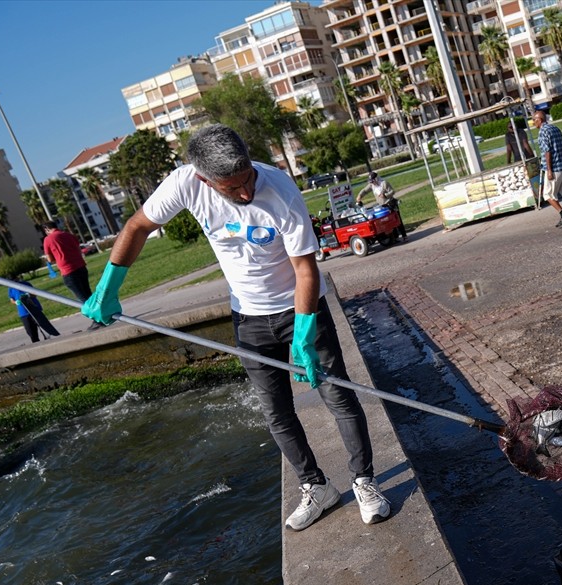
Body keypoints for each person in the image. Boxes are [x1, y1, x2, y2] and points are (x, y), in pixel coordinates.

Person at [82, 123, 392, 532]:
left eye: (247, 181)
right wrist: (109, 285)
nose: (245, 194)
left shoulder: (280, 189)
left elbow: (305, 270)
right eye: (232, 188)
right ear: (202, 178)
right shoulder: (183, 184)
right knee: (276, 413)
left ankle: (365, 482)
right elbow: (137, 226)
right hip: (247, 318)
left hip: (299, 309)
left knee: (338, 395)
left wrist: (303, 335)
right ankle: (316, 487)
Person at [43, 220, 101, 330]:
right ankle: (102, 314)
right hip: (81, 267)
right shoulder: (69, 235)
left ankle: (97, 319)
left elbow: (50, 259)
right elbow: (78, 249)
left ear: (46, 229)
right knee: (88, 294)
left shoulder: (48, 239)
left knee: (83, 298)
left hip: (68, 271)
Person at [532, 109, 562, 228]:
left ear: (540, 120)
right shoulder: (555, 128)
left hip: (554, 169)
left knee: (547, 195)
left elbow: (547, 151)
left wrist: (549, 170)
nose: (533, 123)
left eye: (534, 120)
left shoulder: (543, 132)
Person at [365, 171, 407, 241]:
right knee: (389, 222)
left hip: (390, 204)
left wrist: (385, 195)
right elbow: (365, 190)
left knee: (397, 220)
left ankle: (404, 236)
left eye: (372, 181)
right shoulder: (372, 185)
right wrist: (359, 196)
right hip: (383, 206)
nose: (372, 182)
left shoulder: (384, 183)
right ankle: (395, 237)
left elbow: (392, 191)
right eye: (370, 181)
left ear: (376, 179)